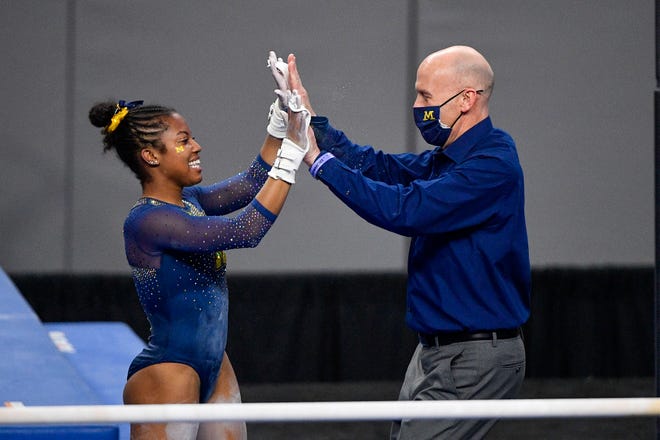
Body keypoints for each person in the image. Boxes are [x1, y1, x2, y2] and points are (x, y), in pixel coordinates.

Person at [284, 45, 530, 439]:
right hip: (436, 351)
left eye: (426, 97)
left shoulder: (491, 165)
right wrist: (310, 120)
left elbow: (406, 210)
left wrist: (318, 161)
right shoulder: (447, 160)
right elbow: (377, 166)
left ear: (467, 99)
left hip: (473, 355)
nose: (418, 107)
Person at [88, 52, 309, 440]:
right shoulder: (147, 221)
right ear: (150, 155)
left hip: (213, 365)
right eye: (184, 140)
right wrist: (294, 150)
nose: (197, 147)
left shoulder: (190, 202)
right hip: (167, 371)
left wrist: (281, 118)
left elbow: (250, 182)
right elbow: (246, 230)